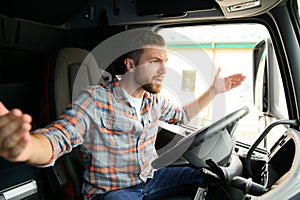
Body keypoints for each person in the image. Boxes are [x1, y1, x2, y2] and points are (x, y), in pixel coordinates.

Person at [0, 29, 245, 200]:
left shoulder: (155, 100)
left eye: (165, 61)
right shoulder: (94, 99)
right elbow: (58, 137)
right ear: (130, 65)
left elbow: (181, 115)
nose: (163, 69)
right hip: (112, 192)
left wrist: (213, 91)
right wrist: (27, 148)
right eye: (155, 61)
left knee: (211, 177)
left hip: (151, 179)